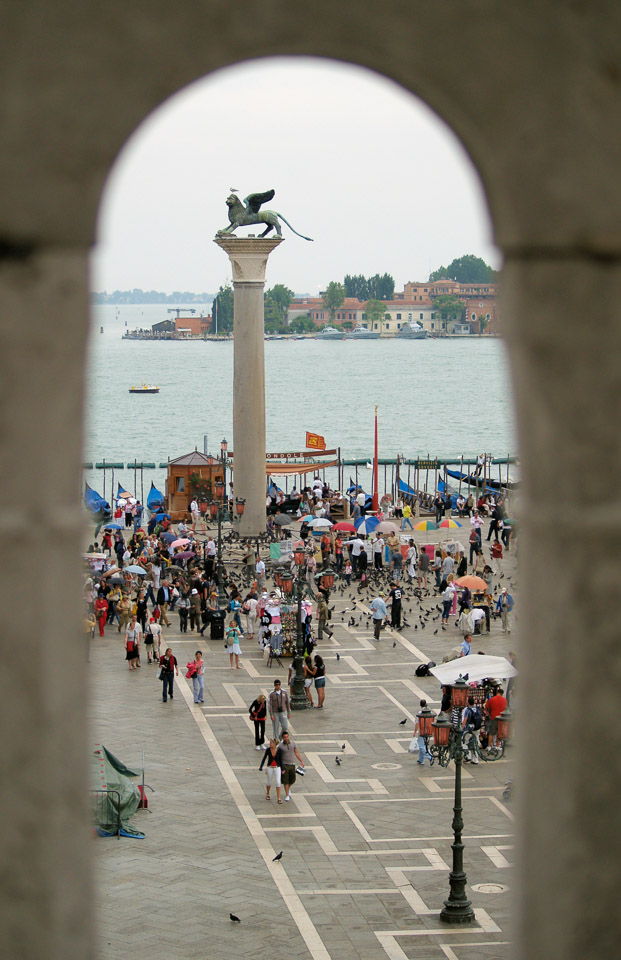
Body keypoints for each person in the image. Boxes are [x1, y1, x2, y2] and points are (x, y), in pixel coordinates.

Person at [276, 731, 304, 802]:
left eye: (287, 737)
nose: (286, 738)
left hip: (292, 764)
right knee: (286, 781)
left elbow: (296, 753)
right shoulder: (280, 746)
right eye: (284, 737)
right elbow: (278, 757)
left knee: (292, 780)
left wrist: (301, 761)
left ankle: (288, 789)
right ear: (282, 738)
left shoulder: (293, 744)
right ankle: (287, 794)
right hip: (284, 765)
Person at [259, 738, 283, 803]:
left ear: (275, 744)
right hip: (270, 767)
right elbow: (264, 758)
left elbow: (281, 760)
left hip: (277, 767)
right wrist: (261, 766)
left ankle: (279, 798)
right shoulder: (268, 750)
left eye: (271, 743)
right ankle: (268, 793)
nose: (270, 744)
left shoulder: (279, 750)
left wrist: (283, 769)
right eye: (270, 743)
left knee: (278, 782)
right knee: (269, 781)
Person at [414, 699, 433, 766]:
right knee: (423, 744)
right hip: (428, 730)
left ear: (420, 705)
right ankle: (421, 759)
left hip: (422, 731)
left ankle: (430, 757)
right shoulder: (429, 712)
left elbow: (417, 724)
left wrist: (415, 732)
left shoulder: (419, 713)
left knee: (421, 745)